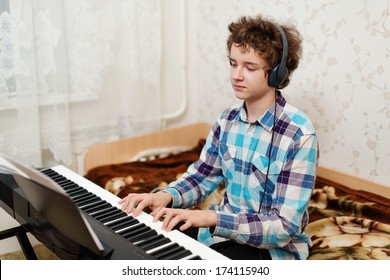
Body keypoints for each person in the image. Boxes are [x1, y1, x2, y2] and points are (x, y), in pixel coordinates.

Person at [119, 15, 319, 260]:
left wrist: (211, 218)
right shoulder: (227, 120)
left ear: (277, 73)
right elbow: (202, 175)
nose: (237, 75)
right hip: (222, 233)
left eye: (250, 67)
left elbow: (284, 227)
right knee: (146, 244)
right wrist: (165, 196)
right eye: (233, 64)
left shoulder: (298, 134)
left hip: (274, 250)